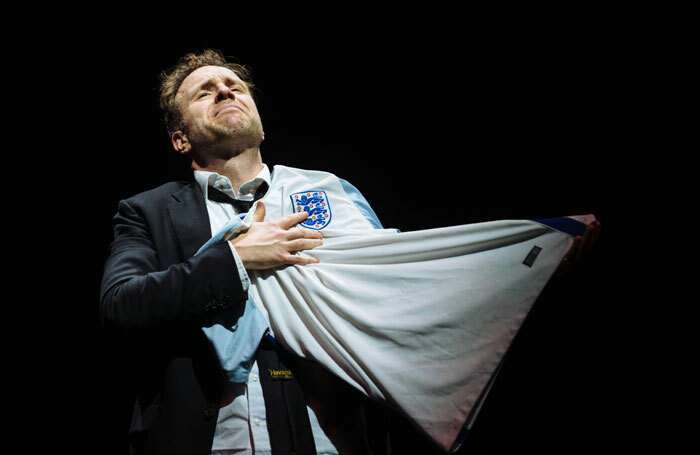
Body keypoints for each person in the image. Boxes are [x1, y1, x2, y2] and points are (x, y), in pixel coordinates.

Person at [100, 49, 601, 455]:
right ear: (180, 137)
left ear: (260, 121)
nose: (225, 91)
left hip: (330, 431)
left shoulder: (327, 188)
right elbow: (123, 304)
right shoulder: (147, 211)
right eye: (204, 92)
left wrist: (520, 266)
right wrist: (236, 260)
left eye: (234, 86)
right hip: (209, 436)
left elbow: (399, 278)